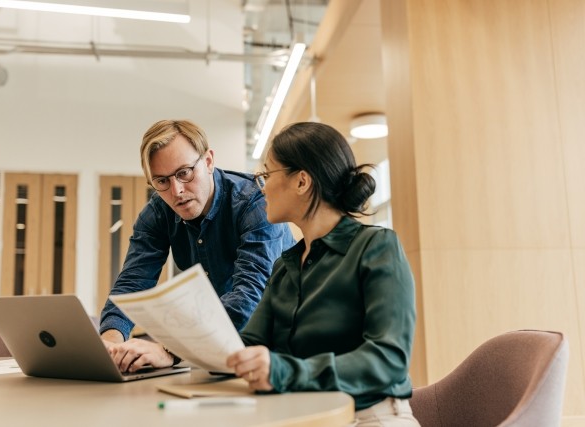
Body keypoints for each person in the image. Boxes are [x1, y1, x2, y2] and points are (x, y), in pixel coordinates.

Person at [226, 122, 420, 426]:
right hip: (300, 416)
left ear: (302, 181)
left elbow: (389, 360)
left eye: (267, 174)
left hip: (368, 416)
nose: (261, 186)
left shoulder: (376, 248)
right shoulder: (286, 264)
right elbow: (248, 343)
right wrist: (170, 349)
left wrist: (284, 372)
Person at [100, 119, 295, 373]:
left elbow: (249, 293)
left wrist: (170, 349)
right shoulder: (158, 213)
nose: (177, 191)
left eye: (184, 173)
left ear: (209, 161)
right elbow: (132, 283)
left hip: (283, 343)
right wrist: (111, 345)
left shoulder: (255, 202)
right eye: (161, 181)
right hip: (215, 345)